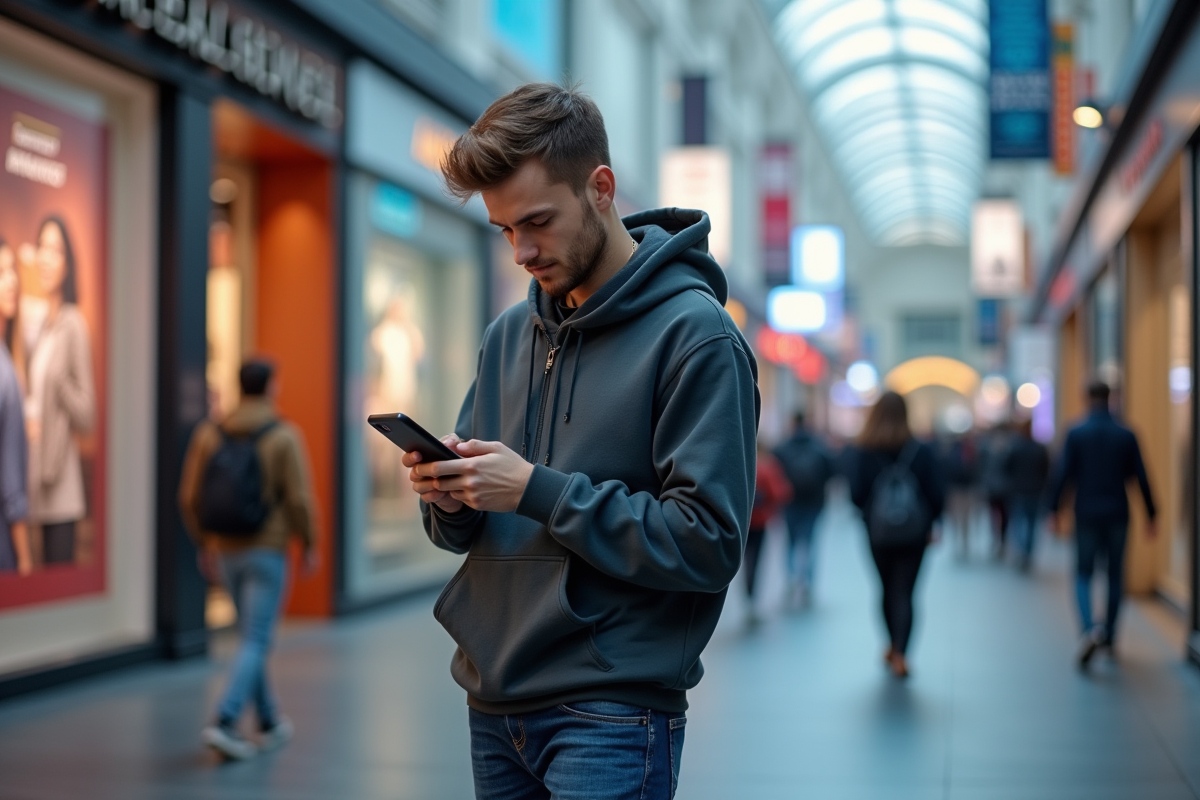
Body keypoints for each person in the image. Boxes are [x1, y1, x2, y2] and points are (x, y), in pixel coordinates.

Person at [407, 83, 759, 799]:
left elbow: (708, 542)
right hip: (494, 699)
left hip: (612, 709)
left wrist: (536, 490)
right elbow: (466, 531)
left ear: (601, 188)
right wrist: (449, 493)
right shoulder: (509, 334)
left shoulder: (696, 337)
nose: (522, 251)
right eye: (505, 230)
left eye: (538, 221)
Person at [178, 359, 319, 760]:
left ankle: (270, 720)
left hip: (224, 551)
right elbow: (299, 499)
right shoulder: (283, 435)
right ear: (272, 387)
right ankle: (224, 720)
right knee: (256, 638)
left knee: (250, 639)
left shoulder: (210, 433)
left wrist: (205, 541)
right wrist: (309, 543)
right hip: (266, 550)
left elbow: (189, 496)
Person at [1047, 381, 1156, 669]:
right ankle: (1109, 636)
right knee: (1114, 575)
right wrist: (1151, 514)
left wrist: (1054, 509)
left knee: (1083, 572)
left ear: (1086, 399)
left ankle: (1088, 629)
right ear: (1111, 399)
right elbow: (1141, 477)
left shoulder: (1076, 433)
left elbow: (1063, 475)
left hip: (1086, 514)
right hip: (1118, 513)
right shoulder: (1126, 434)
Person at [848, 391, 944, 679]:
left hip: (877, 532)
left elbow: (856, 493)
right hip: (915, 533)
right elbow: (936, 493)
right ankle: (902, 652)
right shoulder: (921, 450)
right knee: (907, 591)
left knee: (886, 588)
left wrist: (871, 513)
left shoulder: (863, 450)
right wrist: (933, 523)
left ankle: (891, 644)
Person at [21, 216, 94, 567]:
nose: (48, 258)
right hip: (36, 481)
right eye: (43, 248)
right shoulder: (40, 326)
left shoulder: (73, 324)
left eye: (57, 250)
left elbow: (87, 414)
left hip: (61, 487)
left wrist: (61, 382)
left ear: (68, 263)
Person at [772, 411, 834, 607]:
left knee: (790, 542)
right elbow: (831, 471)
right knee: (810, 541)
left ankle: (791, 579)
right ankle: (807, 582)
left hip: (790, 502)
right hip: (814, 502)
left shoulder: (782, 448)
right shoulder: (819, 446)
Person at [0, 239, 30, 575]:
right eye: (1, 272)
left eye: (12, 271)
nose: (10, 281)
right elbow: (10, 483)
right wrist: (25, 558)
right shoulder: (5, 373)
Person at [743, 444, 792, 623]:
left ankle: (747, 590)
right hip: (760, 520)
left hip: (741, 521)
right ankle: (751, 594)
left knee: (744, 556)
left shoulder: (740, 462)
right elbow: (779, 492)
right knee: (755, 557)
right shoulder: (768, 465)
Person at [1002, 419, 1050, 572]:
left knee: (1018, 522)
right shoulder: (1039, 448)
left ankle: (1022, 550)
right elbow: (1046, 470)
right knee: (1031, 524)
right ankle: (1027, 553)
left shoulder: (1015, 448)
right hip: (1035, 491)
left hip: (1018, 491)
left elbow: (1007, 468)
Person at [938, 432, 976, 558]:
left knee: (960, 518)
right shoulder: (967, 451)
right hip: (959, 488)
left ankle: (961, 543)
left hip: (959, 488)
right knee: (963, 518)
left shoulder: (953, 451)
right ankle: (962, 543)